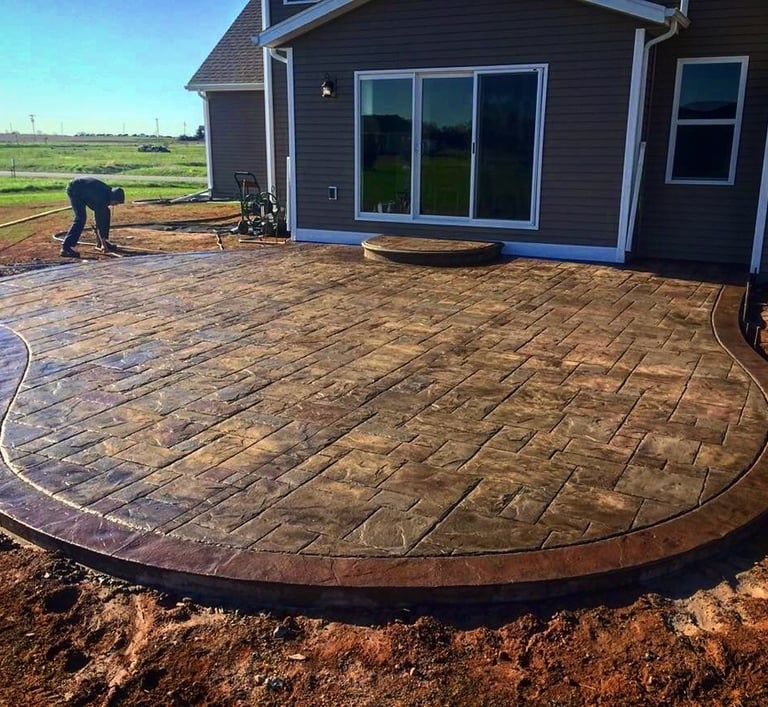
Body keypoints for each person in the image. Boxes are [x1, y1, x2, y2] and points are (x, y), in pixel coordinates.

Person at [60, 177, 125, 258]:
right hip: (75, 190)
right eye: (116, 202)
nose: (115, 205)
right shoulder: (101, 199)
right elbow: (99, 222)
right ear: (112, 198)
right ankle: (66, 248)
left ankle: (103, 241)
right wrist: (104, 246)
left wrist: (103, 242)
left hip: (84, 190)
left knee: (106, 212)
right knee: (80, 218)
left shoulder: (108, 192)